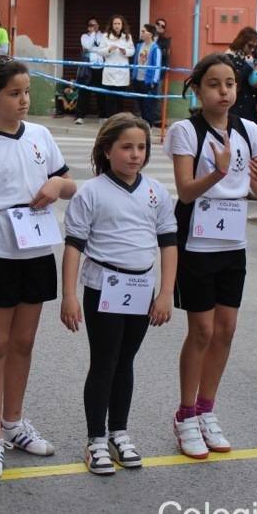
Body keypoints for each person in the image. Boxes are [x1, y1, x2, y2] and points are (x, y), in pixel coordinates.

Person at [0, 56, 75, 480]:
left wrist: (57, 184)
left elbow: (70, 183)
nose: (24, 100)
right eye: (14, 93)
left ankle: (13, 423)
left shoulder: (41, 135)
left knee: (23, 343)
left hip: (37, 251)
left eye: (27, 91)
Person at [166, 54, 257, 458]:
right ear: (198, 89)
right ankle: (184, 414)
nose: (224, 91)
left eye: (230, 83)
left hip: (232, 242)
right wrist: (216, 173)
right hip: (196, 240)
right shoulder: (185, 131)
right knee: (201, 331)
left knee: (227, 329)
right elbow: (184, 191)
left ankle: (206, 410)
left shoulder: (249, 130)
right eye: (214, 84)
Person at [60, 113, 177, 476]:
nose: (135, 155)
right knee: (105, 361)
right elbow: (74, 247)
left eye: (141, 147)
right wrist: (69, 295)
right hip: (104, 288)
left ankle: (118, 432)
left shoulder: (156, 192)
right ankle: (95, 438)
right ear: (107, 149)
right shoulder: (91, 192)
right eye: (126, 147)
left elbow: (169, 243)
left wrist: (166, 293)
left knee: (126, 361)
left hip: (143, 288)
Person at [98, 15, 135, 119]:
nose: (117, 26)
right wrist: (109, 49)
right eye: (115, 23)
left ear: (122, 25)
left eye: (119, 23)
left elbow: (132, 51)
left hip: (122, 73)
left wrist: (125, 51)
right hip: (110, 72)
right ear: (112, 25)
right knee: (110, 99)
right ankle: (110, 120)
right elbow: (100, 51)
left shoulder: (127, 36)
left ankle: (119, 120)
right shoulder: (105, 36)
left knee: (120, 99)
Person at [75, 17, 106, 124]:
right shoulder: (84, 36)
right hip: (87, 67)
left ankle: (102, 115)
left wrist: (94, 49)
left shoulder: (103, 36)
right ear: (88, 27)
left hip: (100, 67)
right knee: (84, 92)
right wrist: (92, 34)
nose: (93, 27)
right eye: (91, 25)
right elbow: (87, 46)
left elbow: (103, 49)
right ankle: (80, 116)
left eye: (95, 25)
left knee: (101, 92)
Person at [133, 23, 163, 126]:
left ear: (150, 34)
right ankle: (144, 124)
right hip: (137, 79)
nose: (141, 33)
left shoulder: (155, 48)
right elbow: (135, 62)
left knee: (148, 106)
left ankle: (149, 125)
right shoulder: (139, 46)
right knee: (140, 104)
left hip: (148, 81)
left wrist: (154, 82)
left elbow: (157, 67)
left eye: (143, 31)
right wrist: (133, 75)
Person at [228, 26, 257, 122]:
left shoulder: (253, 58)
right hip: (237, 109)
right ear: (242, 42)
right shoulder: (230, 58)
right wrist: (249, 66)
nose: (252, 49)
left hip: (251, 110)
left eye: (255, 46)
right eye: (250, 46)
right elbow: (235, 79)